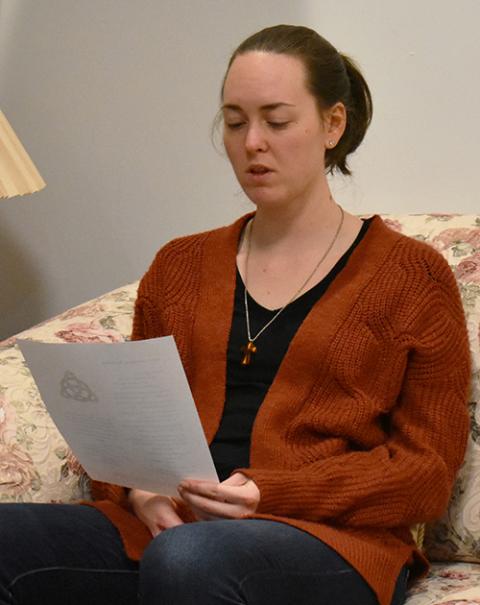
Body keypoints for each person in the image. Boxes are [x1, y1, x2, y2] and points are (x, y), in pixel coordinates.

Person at [0, 24, 471, 605]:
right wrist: (138, 492)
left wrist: (267, 493)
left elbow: (424, 474)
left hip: (329, 542)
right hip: (173, 529)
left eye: (276, 121)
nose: (253, 143)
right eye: (234, 121)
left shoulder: (412, 277)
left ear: (332, 124)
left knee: (191, 560)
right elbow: (133, 429)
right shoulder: (180, 265)